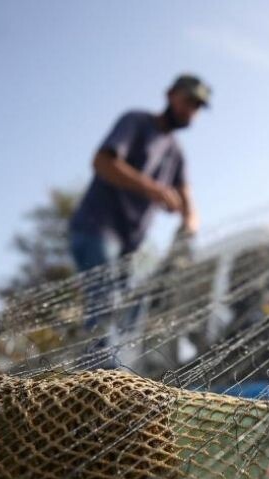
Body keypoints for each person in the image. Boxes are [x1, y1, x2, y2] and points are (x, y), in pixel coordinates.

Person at [68, 74, 210, 336]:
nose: (191, 110)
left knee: (132, 310)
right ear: (170, 95)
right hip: (97, 229)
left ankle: (116, 369)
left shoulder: (176, 154)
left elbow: (189, 203)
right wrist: (154, 189)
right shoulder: (136, 122)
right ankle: (99, 373)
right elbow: (102, 163)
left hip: (130, 247)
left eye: (198, 106)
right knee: (105, 305)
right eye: (188, 101)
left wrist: (188, 228)